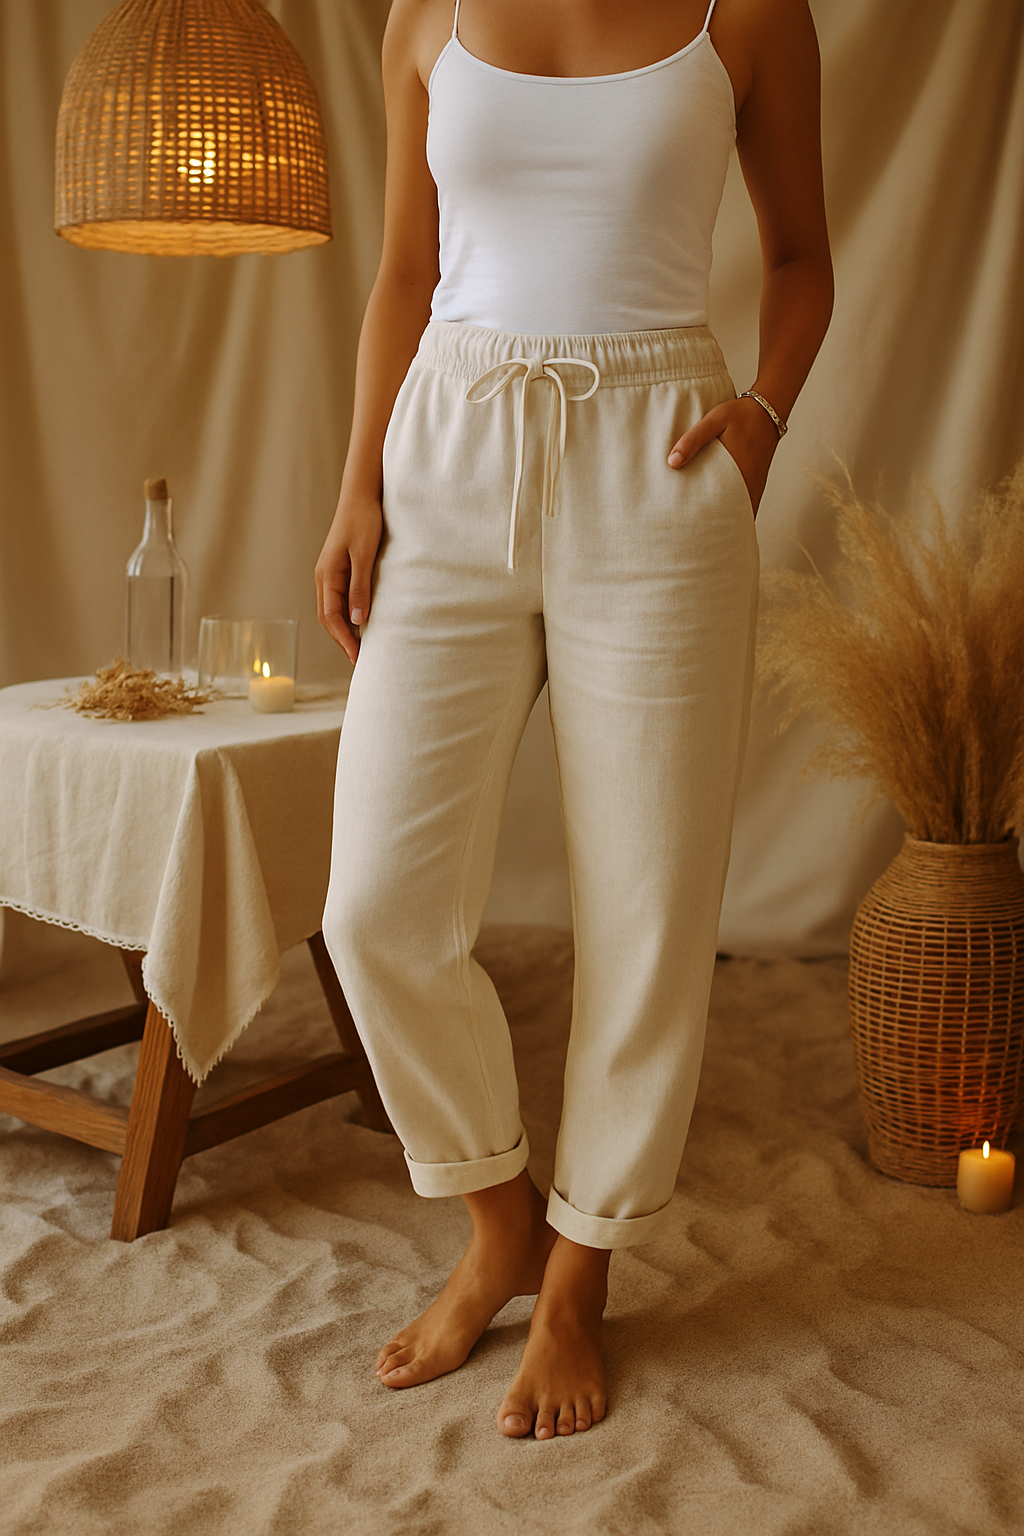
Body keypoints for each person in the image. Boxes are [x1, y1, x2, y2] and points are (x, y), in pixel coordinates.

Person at [317, 0, 833, 1441]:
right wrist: (359, 486)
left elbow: (802, 258)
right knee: (376, 907)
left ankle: (579, 1272)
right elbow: (406, 274)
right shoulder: (424, 19)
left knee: (649, 908)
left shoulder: (751, 15)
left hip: (657, 458)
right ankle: (498, 1218)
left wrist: (762, 421)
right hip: (451, 450)